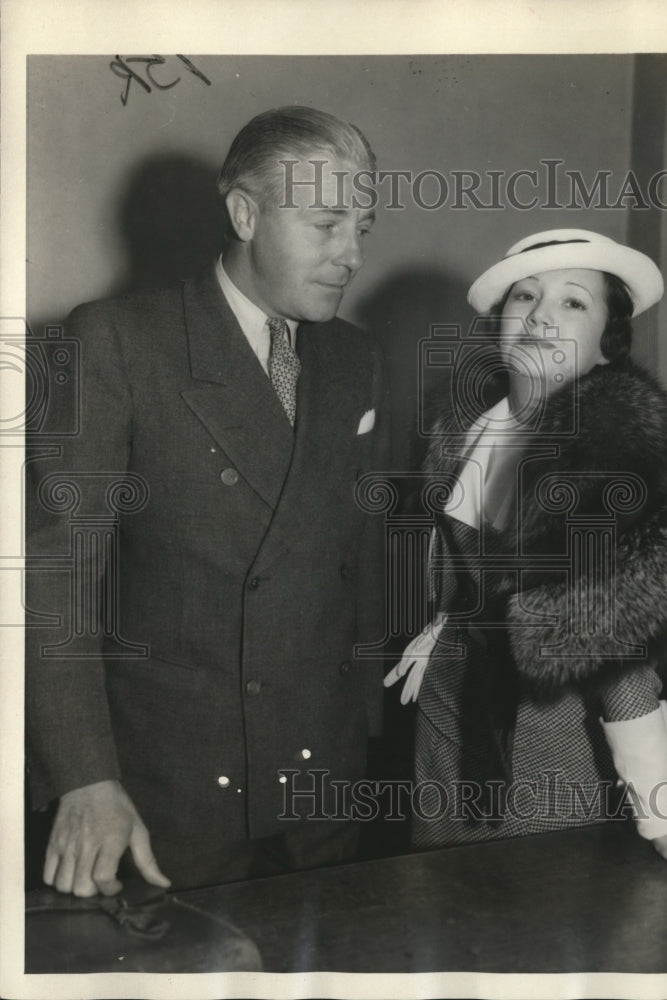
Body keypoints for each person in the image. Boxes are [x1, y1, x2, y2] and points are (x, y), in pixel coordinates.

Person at [26, 106, 385, 894]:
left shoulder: (356, 358)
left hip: (324, 782)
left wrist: (363, 726)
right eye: (326, 223)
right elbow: (54, 579)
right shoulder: (117, 341)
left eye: (363, 226)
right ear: (245, 213)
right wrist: (83, 777)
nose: (351, 255)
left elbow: (354, 560)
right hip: (166, 789)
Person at [387, 228, 667, 876]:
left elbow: (624, 672)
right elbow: (467, 570)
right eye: (526, 296)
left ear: (609, 343)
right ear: (500, 325)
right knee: (432, 913)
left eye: (574, 302)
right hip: (440, 725)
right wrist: (442, 625)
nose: (543, 314)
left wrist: (664, 823)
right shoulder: (466, 433)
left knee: (530, 919)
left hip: (541, 745)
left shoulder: (609, 476)